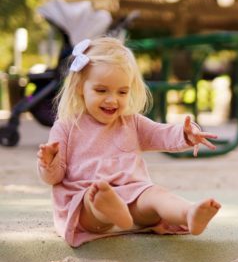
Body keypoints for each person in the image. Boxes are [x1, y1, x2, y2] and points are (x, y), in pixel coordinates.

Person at [37, 37, 221, 247]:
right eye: (101, 90)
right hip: (88, 205)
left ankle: (189, 213)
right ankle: (110, 209)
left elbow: (161, 134)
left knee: (155, 194)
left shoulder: (131, 122)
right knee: (94, 197)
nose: (112, 99)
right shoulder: (67, 126)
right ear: (80, 87)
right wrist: (48, 162)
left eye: (122, 92)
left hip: (134, 202)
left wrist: (187, 134)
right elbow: (54, 177)